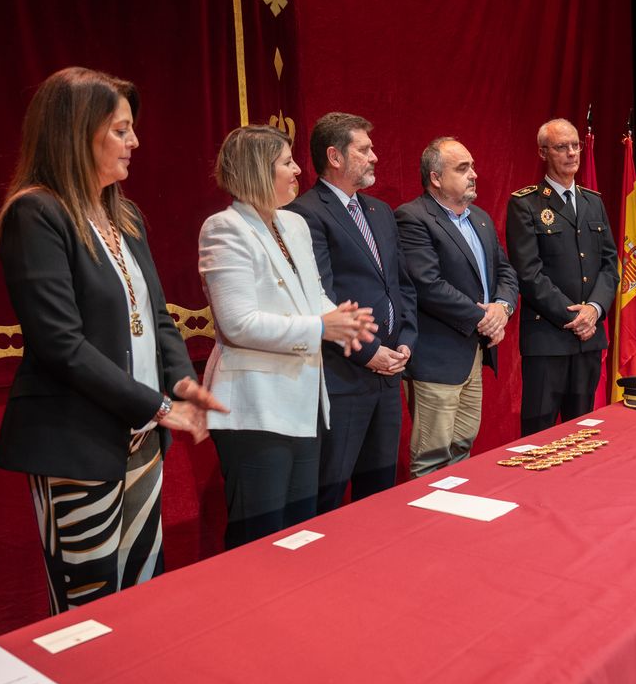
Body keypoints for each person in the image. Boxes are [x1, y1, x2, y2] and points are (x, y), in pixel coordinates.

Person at [0, 67, 225, 615]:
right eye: (121, 130)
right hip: (75, 440)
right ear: (77, 133)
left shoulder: (124, 214)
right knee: (89, 605)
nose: (134, 142)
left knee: (143, 593)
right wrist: (158, 406)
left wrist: (182, 384)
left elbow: (157, 318)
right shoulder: (37, 212)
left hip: (141, 441)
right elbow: (61, 344)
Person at [200, 126, 376, 547]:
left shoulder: (294, 223)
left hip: (302, 402)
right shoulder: (224, 228)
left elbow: (312, 294)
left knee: (298, 533)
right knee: (259, 537)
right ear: (257, 171)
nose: (298, 170)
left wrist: (342, 321)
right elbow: (238, 323)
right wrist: (321, 328)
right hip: (255, 406)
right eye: (286, 162)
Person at [288, 113, 417, 513]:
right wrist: (370, 352)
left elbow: (402, 285)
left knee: (379, 495)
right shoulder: (306, 213)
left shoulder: (380, 211)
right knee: (328, 496)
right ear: (335, 156)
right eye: (364, 149)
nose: (374, 157)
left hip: (390, 372)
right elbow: (320, 297)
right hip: (343, 376)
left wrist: (405, 341)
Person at [396, 137, 518, 477]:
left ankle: (454, 508)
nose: (474, 175)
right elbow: (427, 284)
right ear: (436, 178)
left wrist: (502, 308)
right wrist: (484, 318)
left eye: (472, 167)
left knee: (463, 446)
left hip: (473, 354)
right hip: (436, 358)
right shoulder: (413, 217)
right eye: (463, 169)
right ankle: (428, 511)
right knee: (432, 457)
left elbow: (505, 271)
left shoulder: (480, 218)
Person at [505, 118, 619, 434]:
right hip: (548, 339)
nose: (571, 153)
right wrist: (575, 317)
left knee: (581, 433)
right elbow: (528, 273)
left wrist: (594, 310)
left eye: (575, 146)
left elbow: (610, 265)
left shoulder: (593, 202)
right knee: (539, 433)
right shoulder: (526, 204)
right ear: (543, 153)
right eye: (561, 147)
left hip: (589, 339)